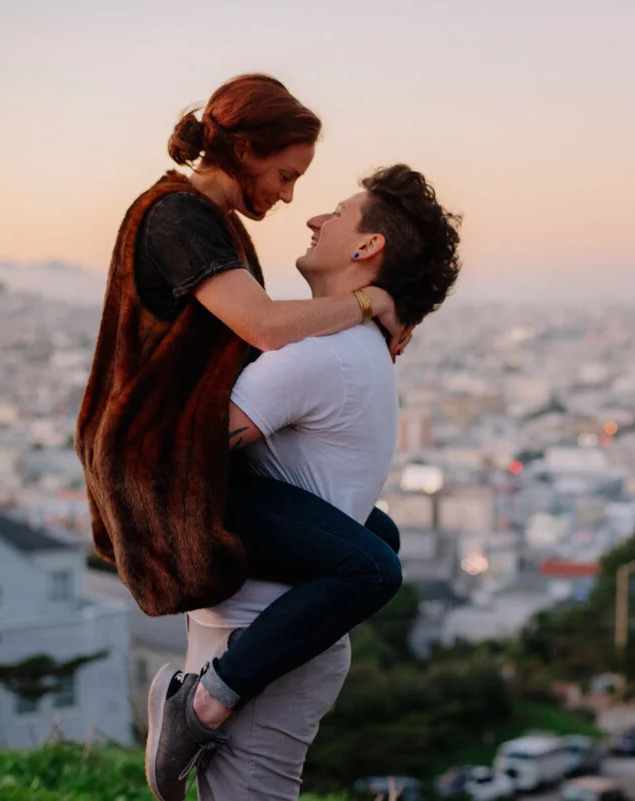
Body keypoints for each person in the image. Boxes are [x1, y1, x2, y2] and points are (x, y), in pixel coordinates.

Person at [72, 75, 414, 796]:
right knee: (374, 569)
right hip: (166, 465)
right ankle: (203, 699)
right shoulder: (176, 214)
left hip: (197, 456)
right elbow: (261, 325)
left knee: (379, 536)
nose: (289, 196)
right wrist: (367, 300)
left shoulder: (216, 224)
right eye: (286, 174)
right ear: (245, 149)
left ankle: (215, 689)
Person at [154, 164, 460, 800]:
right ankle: (187, 703)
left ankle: (199, 703)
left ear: (365, 246)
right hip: (281, 633)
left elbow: (187, 455)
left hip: (254, 637)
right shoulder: (358, 346)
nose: (314, 218)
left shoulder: (316, 354)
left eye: (337, 213)